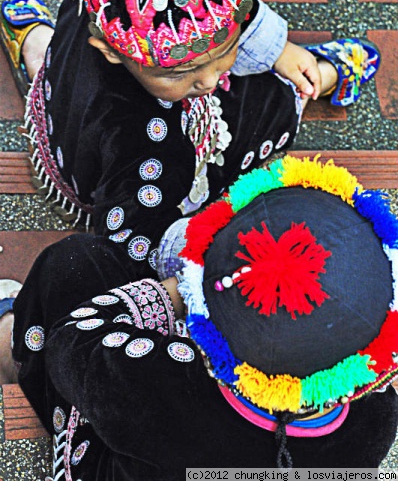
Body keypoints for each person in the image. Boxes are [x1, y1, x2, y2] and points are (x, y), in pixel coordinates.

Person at [0, 0, 380, 283]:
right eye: (180, 72)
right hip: (109, 169)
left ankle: (33, 43)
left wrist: (278, 49)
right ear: (112, 49)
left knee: (58, 55)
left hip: (67, 113)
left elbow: (224, 8)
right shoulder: (150, 148)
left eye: (227, 49)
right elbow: (132, 240)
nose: (212, 80)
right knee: (267, 104)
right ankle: (313, 80)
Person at [1, 155, 398, 479]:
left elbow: (72, 343)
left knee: (75, 264)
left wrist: (174, 294)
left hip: (137, 453)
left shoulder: (162, 383)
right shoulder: (377, 417)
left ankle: (8, 339)